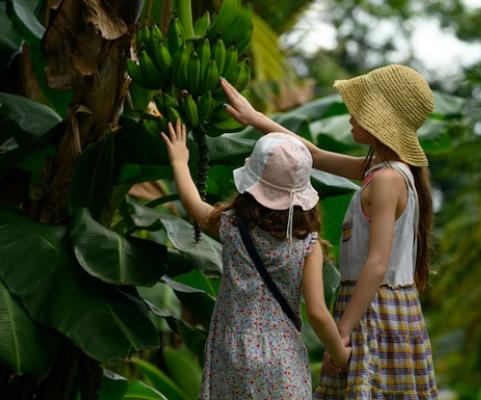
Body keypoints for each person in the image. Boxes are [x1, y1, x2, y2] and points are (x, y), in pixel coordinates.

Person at [220, 63, 438, 399]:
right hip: (368, 303)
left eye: (359, 108)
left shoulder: (386, 180)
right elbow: (316, 155)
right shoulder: (380, 169)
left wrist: (343, 331)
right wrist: (257, 119)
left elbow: (377, 264)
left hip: (374, 307)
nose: (350, 114)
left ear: (379, 121)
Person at [161, 120, 351, 399]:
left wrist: (179, 160)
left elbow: (194, 205)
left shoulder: (232, 226)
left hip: (231, 353)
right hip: (281, 359)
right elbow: (317, 313)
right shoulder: (308, 245)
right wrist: (339, 355)